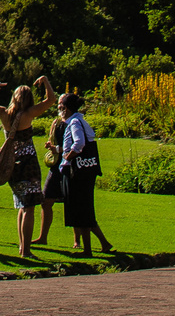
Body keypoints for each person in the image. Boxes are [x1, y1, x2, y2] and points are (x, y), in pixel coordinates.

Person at [0, 74, 56, 259]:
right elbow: (51, 99)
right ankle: (26, 250)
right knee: (29, 207)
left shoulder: (3, 113)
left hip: (11, 165)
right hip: (27, 164)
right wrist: (45, 81)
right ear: (29, 99)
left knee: (21, 205)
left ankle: (22, 247)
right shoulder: (29, 114)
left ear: (14, 97)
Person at [59, 92, 111, 257]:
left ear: (66, 108)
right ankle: (103, 244)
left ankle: (87, 250)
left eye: (61, 107)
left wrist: (69, 155)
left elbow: (79, 143)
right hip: (86, 169)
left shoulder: (74, 122)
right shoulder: (80, 120)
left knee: (81, 209)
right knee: (85, 208)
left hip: (77, 170)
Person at [38, 114, 65, 246]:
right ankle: (43, 237)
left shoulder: (74, 124)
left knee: (72, 203)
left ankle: (78, 240)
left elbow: (78, 145)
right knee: (46, 200)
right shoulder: (57, 123)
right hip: (56, 166)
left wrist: (57, 149)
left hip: (67, 166)